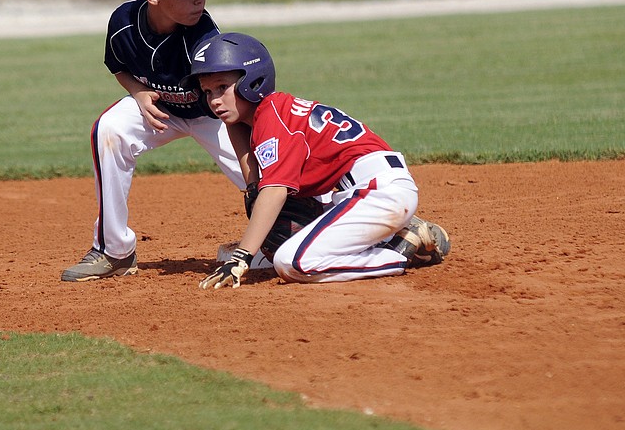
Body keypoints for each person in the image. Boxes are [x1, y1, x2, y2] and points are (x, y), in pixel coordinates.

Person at [181, 32, 451, 289]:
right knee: (267, 225)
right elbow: (254, 176)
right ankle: (393, 235)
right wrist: (253, 186)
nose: (215, 101)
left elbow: (274, 191)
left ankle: (397, 250)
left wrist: (242, 256)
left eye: (222, 88)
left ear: (252, 81)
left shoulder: (273, 120)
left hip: (378, 194)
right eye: (207, 92)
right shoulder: (272, 110)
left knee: (292, 262)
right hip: (365, 189)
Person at [61, 0, 252, 282]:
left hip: (211, 113)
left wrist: (245, 153)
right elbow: (117, 65)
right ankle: (113, 251)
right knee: (110, 130)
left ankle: (291, 233)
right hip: (159, 110)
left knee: (263, 178)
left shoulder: (203, 35)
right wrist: (137, 93)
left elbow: (225, 95)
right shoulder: (123, 23)